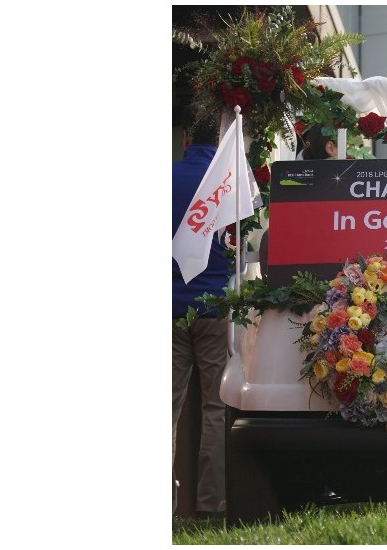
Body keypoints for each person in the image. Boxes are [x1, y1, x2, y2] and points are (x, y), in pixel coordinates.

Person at [172, 110, 229, 518]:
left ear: (186, 138)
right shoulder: (229, 185)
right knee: (215, 408)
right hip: (213, 307)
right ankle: (213, 505)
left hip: (167, 307)